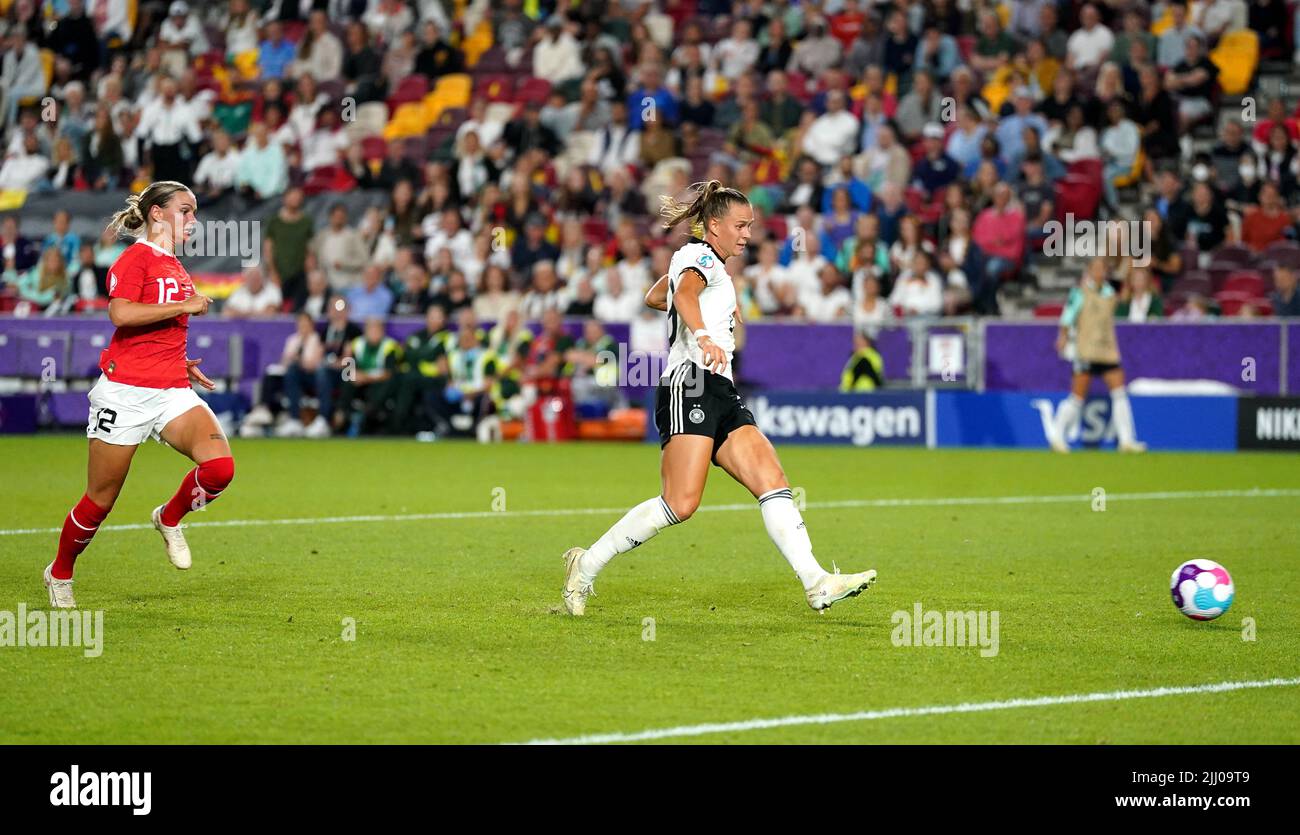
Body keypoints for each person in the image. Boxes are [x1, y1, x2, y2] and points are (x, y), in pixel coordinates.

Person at [561, 181, 877, 617]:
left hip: (720, 388)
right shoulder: (698, 256)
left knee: (772, 478)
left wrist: (714, 308)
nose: (748, 233)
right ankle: (586, 565)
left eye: (750, 225)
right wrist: (704, 330)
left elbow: (659, 296)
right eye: (740, 225)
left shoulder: (708, 265)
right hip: (688, 382)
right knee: (680, 504)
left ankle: (816, 581)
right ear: (714, 226)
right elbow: (684, 294)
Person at [44, 181, 234, 609]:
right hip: (126, 394)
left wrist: (181, 363)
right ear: (157, 215)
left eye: (195, 211)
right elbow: (122, 313)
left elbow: (158, 331)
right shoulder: (135, 258)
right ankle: (59, 572)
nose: (193, 220)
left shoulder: (176, 267)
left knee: (220, 468)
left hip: (171, 390)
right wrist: (184, 307)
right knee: (100, 501)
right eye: (185, 210)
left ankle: (168, 517)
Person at [1048, 257, 1145, 453]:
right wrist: (1063, 337)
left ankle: (1126, 440)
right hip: (1087, 351)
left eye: (1103, 268)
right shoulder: (1079, 293)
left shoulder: (1109, 293)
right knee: (1077, 397)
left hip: (1107, 350)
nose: (1100, 272)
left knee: (1119, 394)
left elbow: (1123, 298)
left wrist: (1129, 268)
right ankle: (1057, 435)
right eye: (1097, 268)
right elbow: (1067, 318)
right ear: (1090, 271)